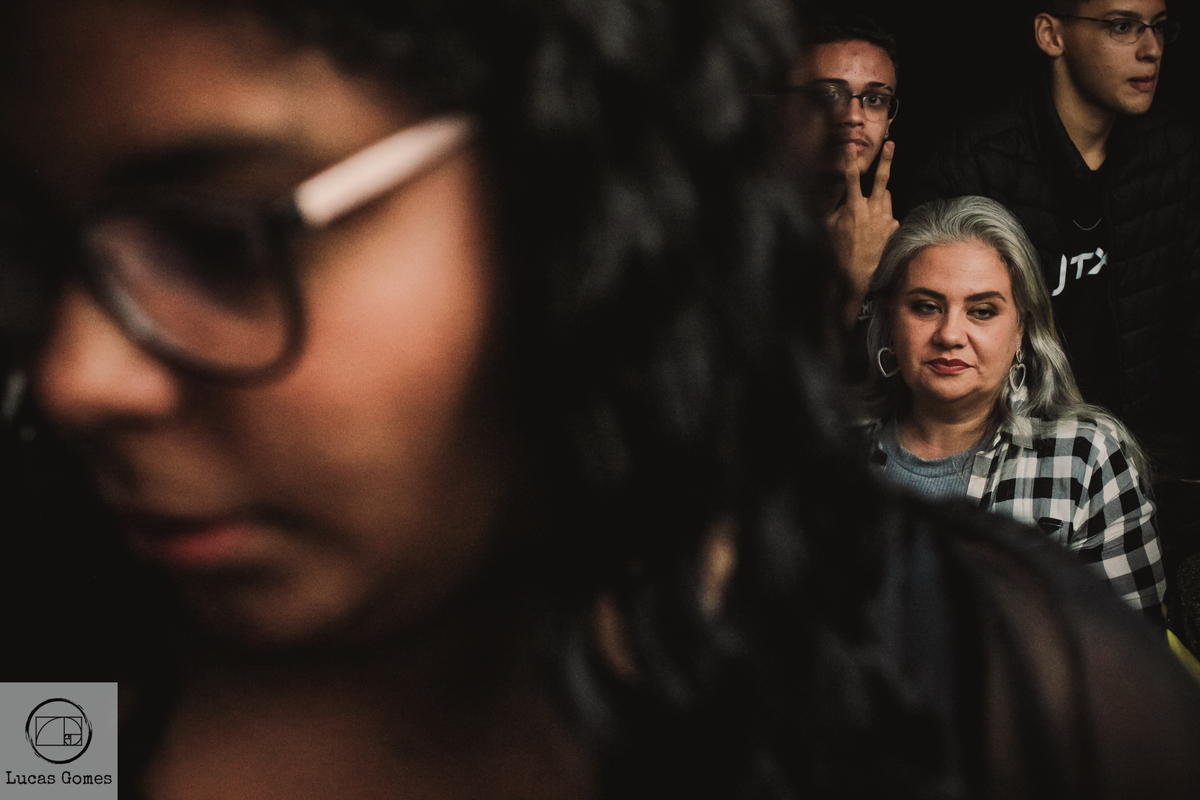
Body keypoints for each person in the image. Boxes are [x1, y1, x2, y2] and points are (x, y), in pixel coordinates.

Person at [0, 1, 1199, 799]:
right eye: (36, 250)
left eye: (221, 246)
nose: (74, 378)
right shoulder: (63, 659)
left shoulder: (987, 684)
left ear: (572, 198)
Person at [908, 0, 1200, 479]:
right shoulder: (976, 163)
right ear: (1051, 34)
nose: (1151, 49)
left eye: (1161, 28)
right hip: (1002, 462)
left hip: (1142, 458)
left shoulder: (1171, 152)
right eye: (1123, 26)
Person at [863, 195, 1166, 618]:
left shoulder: (1084, 459)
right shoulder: (833, 445)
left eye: (982, 311)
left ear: (1021, 329)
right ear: (891, 319)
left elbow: (1135, 663)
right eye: (926, 307)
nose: (950, 334)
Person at [775, 13, 900, 326]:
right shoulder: (745, 231)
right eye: (828, 95)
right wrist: (854, 282)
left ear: (889, 123)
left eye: (874, 99)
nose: (853, 116)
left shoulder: (893, 235)